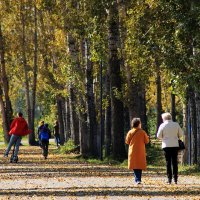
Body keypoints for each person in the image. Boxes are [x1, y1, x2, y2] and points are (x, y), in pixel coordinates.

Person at [157, 112, 183, 184]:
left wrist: (164, 138)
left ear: (164, 118)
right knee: (175, 162)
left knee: (168, 162)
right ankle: (175, 179)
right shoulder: (176, 124)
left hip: (166, 145)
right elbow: (181, 134)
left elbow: (158, 136)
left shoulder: (162, 125)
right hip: (175, 145)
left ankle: (169, 179)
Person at [125, 118, 149, 185]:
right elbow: (147, 141)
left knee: (135, 166)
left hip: (132, 150)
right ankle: (138, 179)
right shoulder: (142, 132)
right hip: (140, 151)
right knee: (139, 165)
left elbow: (127, 141)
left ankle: (137, 179)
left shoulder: (130, 132)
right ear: (139, 124)